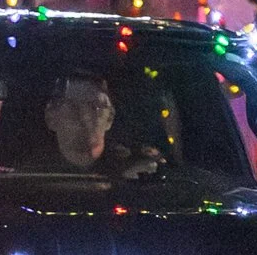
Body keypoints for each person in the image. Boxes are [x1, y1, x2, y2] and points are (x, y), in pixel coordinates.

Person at [18, 73, 159, 178]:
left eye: (95, 106)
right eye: (73, 106)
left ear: (110, 118)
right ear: (51, 117)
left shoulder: (135, 168)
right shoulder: (32, 178)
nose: (85, 115)